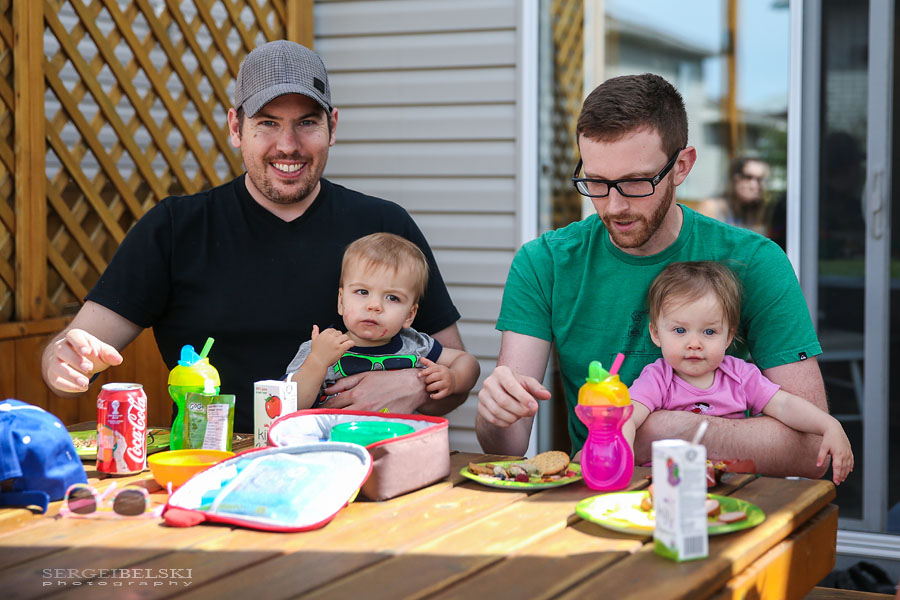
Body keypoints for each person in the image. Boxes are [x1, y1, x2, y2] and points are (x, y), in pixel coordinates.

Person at [41, 40, 468, 433]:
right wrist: (66, 361)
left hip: (361, 462)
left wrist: (414, 385)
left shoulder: (384, 227)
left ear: (332, 127)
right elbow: (73, 352)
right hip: (210, 462)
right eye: (267, 123)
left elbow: (456, 375)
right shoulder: (176, 228)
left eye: (306, 122)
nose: (288, 145)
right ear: (235, 126)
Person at [476, 73, 829, 479]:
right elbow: (509, 444)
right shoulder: (545, 263)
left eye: (634, 183)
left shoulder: (754, 262)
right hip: (598, 502)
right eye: (595, 182)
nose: (613, 206)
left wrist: (664, 430)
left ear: (681, 166)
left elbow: (815, 450)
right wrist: (495, 415)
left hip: (723, 513)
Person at [623, 261, 853, 485]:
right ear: (655, 333)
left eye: (710, 331)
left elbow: (784, 405)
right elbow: (628, 417)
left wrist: (828, 425)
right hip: (670, 487)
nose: (694, 343)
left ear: (729, 336)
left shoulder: (740, 375)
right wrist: (623, 451)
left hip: (733, 487)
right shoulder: (658, 378)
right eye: (680, 330)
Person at [284, 233, 479, 409]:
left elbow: (467, 362)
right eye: (362, 292)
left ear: (410, 315)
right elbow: (288, 404)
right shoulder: (322, 348)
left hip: (397, 442)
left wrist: (453, 379)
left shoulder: (416, 345)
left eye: (392, 297)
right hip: (333, 442)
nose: (374, 305)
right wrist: (317, 362)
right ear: (341, 301)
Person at [695, 156, 772, 235]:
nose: (754, 186)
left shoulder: (756, 213)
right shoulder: (711, 207)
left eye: (759, 179)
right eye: (748, 177)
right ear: (734, 178)